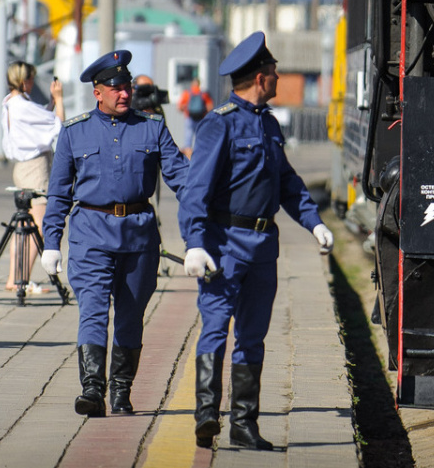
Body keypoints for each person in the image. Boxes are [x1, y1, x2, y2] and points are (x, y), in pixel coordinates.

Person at [178, 31, 332, 450]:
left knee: (252, 335)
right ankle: (207, 415)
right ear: (260, 78)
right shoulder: (218, 123)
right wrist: (195, 242)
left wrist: (313, 222)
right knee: (214, 326)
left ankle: (244, 425)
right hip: (224, 243)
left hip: (263, 247)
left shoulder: (267, 124)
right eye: (275, 72)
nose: (279, 78)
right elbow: (196, 190)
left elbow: (287, 182)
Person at [42, 50, 188, 417]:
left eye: (127, 87)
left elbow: (183, 179)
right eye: (116, 87)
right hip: (90, 233)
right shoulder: (74, 132)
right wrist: (51, 243)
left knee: (129, 314)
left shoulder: (152, 127)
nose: (125, 94)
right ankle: (92, 389)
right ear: (97, 92)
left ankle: (121, 391)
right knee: (92, 309)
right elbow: (59, 192)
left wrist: (213, 212)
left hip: (139, 236)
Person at [0, 61, 64, 293]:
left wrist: (50, 101)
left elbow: (41, 120)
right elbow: (58, 125)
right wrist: (59, 99)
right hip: (35, 168)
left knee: (23, 226)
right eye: (31, 79)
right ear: (24, 80)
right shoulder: (21, 105)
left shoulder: (10, 102)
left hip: (23, 167)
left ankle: (15, 278)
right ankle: (22, 280)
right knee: (40, 226)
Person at [178, 78, 213, 150]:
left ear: (192, 84)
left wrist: (186, 108)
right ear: (199, 84)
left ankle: (188, 155)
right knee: (200, 138)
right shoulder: (204, 94)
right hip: (201, 118)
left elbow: (180, 107)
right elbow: (210, 107)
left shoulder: (186, 93)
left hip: (189, 117)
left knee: (188, 139)